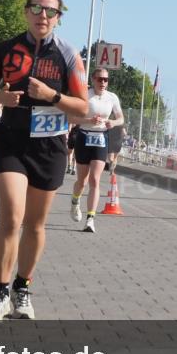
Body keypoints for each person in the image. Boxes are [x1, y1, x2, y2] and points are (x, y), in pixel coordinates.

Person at [0, 0, 88, 322]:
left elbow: (82, 109)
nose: (43, 16)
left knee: (35, 225)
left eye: (50, 11)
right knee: (12, 217)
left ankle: (22, 287)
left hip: (49, 146)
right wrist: (1, 97)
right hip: (10, 140)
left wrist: (52, 95)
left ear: (59, 18)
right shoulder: (7, 48)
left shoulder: (69, 55)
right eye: (36, 9)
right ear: (26, 12)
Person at [68, 67, 124, 232]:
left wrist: (112, 123)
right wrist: (88, 120)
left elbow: (120, 118)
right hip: (84, 136)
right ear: (92, 80)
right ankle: (75, 201)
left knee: (95, 179)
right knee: (82, 181)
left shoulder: (112, 97)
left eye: (106, 80)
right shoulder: (84, 95)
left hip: (101, 138)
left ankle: (90, 219)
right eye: (99, 79)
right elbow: (70, 117)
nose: (103, 83)